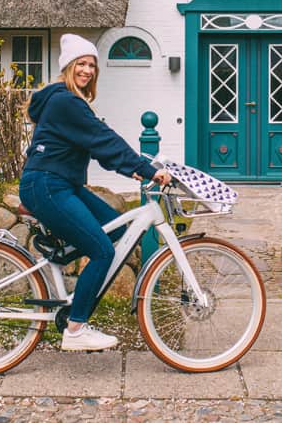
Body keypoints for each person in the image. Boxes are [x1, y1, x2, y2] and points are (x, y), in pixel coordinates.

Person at [19, 33, 173, 351]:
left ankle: (60, 259)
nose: (87, 70)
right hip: (48, 186)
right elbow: (103, 138)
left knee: (116, 230)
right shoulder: (66, 101)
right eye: (82, 63)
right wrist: (147, 170)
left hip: (59, 184)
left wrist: (131, 168)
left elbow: (97, 146)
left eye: (92, 65)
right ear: (68, 66)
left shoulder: (69, 102)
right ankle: (75, 330)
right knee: (103, 251)